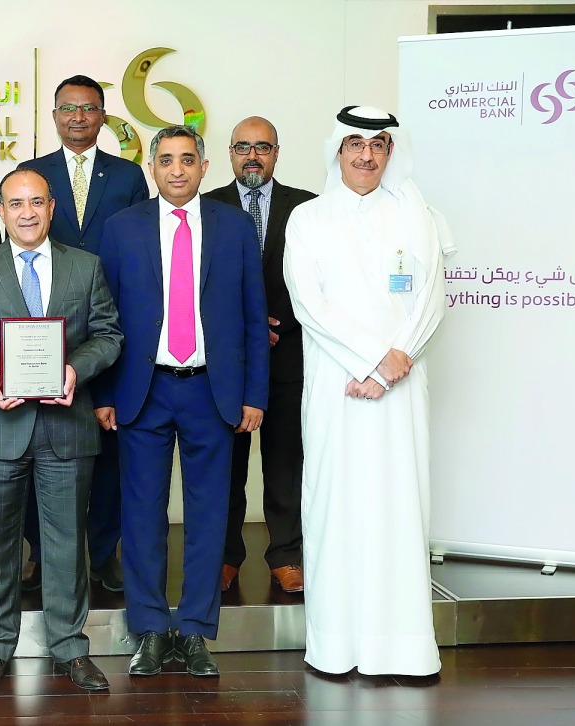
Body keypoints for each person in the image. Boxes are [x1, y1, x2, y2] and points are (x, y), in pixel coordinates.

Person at [0, 168, 122, 694]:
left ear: (51, 208)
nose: (26, 212)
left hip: (66, 425)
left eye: (36, 202)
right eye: (15, 203)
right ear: (2, 210)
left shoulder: (85, 267)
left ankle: (70, 649)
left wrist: (76, 369)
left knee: (67, 545)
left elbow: (109, 336)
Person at [283, 106, 450, 677]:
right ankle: (335, 646)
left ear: (390, 152)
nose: (365, 156)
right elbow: (310, 304)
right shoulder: (308, 218)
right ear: (337, 151)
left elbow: (432, 298)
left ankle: (401, 649)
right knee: (337, 507)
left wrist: (391, 365)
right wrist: (373, 361)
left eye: (377, 145)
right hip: (337, 386)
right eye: (354, 144)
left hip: (401, 388)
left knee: (400, 506)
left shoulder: (417, 214)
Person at [97, 125, 269, 678]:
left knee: (209, 515)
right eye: (166, 160)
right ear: (152, 166)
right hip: (142, 390)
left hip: (210, 390)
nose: (177, 170)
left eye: (187, 160)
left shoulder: (235, 228)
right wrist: (104, 393)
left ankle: (195, 631)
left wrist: (255, 395)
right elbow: (105, 318)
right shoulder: (122, 229)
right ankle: (148, 629)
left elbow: (251, 317)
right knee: (142, 515)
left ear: (203, 166)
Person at [16, 74, 149, 593]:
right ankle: (37, 551)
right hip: (38, 327)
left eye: (88, 108)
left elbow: (139, 250)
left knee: (108, 442)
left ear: (103, 115)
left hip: (106, 324)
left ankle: (105, 549)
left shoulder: (127, 176)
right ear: (54, 116)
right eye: (67, 108)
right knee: (36, 440)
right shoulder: (32, 173)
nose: (77, 117)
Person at [203, 116, 316, 594]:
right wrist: (244, 331)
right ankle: (226, 555)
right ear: (229, 153)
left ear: (276, 153)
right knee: (225, 464)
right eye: (243, 147)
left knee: (286, 463)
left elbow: (320, 279)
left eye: (263, 147)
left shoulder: (308, 208)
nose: (253, 156)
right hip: (228, 359)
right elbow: (198, 284)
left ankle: (286, 555)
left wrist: (274, 325)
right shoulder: (207, 207)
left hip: (289, 354)